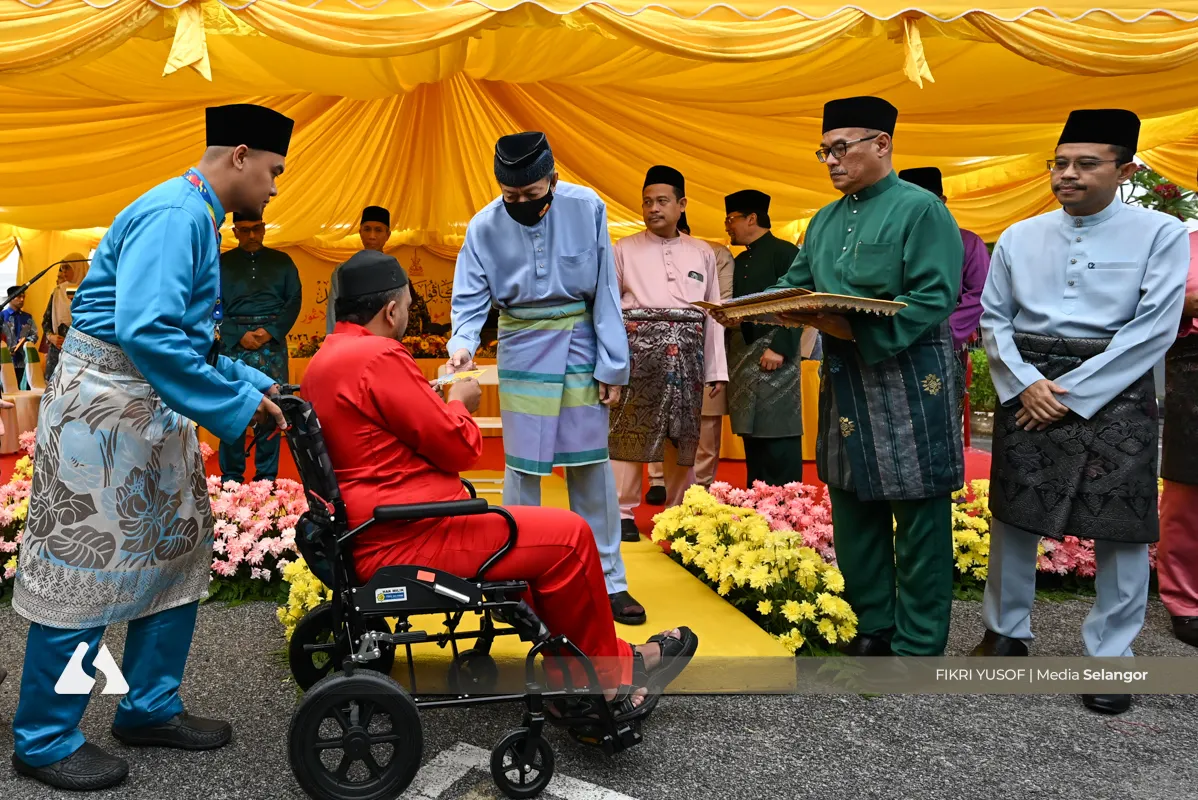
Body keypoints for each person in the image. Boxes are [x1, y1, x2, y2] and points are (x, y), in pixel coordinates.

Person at [10, 103, 292, 791]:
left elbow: (187, 338)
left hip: (144, 407)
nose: (274, 188)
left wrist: (254, 383)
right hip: (104, 414)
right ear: (240, 155)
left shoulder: (196, 214)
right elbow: (148, 333)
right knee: (86, 566)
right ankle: (44, 738)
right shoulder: (176, 215)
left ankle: (148, 707)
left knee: (177, 547)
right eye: (273, 171)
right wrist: (235, 406)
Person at [303, 250, 697, 718]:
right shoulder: (379, 356)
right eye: (407, 306)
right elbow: (459, 448)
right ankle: (603, 682)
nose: (408, 314)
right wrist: (460, 401)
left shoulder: (325, 358)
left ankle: (602, 658)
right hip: (408, 532)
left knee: (539, 542)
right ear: (391, 311)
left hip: (373, 526)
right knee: (570, 537)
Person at [975, 109, 1189, 715]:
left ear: (1125, 170)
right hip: (1029, 385)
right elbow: (994, 318)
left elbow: (1154, 327)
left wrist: (1068, 394)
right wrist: (1026, 385)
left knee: (1121, 526)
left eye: (1087, 163)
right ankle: (1004, 633)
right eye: (1060, 163)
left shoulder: (1161, 232)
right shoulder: (1019, 235)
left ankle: (1111, 657)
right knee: (1014, 514)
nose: (1068, 174)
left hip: (1114, 389)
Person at [743, 95, 966, 657]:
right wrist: (754, 307)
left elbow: (936, 295)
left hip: (910, 378)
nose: (831, 161)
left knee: (917, 507)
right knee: (851, 500)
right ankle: (873, 624)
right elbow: (797, 283)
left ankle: (919, 640)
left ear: (882, 144)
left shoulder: (922, 210)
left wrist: (851, 329)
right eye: (824, 151)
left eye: (840, 148)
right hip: (845, 377)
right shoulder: (823, 219)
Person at [447, 132, 644, 625]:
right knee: (523, 467)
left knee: (590, 464)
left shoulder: (587, 207)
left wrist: (612, 364)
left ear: (553, 181)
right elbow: (469, 299)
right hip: (521, 343)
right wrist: (462, 346)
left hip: (579, 339)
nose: (522, 205)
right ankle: (517, 578)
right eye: (511, 197)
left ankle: (609, 579)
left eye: (532, 195)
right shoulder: (483, 226)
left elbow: (605, 290)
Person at [609, 166, 727, 540]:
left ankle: (678, 512)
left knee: (684, 435)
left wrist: (716, 369)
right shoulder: (622, 249)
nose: (653, 208)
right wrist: (610, 365)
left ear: (682, 205)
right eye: (647, 202)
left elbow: (714, 313)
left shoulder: (702, 251)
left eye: (662, 201)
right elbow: (608, 311)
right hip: (637, 352)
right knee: (629, 430)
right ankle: (622, 512)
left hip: (689, 355)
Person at [723, 189, 804, 486]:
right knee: (753, 433)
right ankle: (757, 503)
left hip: (775, 354)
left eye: (731, 219)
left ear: (752, 218)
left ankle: (787, 504)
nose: (727, 226)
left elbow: (801, 303)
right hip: (744, 359)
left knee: (779, 431)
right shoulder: (741, 260)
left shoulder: (785, 253)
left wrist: (780, 347)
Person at [217, 211, 303, 484]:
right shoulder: (221, 263)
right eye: (244, 230)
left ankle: (266, 479)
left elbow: (294, 301)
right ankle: (231, 479)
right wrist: (237, 334)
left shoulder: (282, 262)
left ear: (264, 228)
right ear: (234, 232)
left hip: (271, 345)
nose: (252, 235)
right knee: (232, 407)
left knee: (273, 406)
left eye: (256, 228)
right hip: (233, 344)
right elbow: (212, 303)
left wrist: (270, 332)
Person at [898, 167, 991, 416]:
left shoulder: (968, 242)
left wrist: (944, 331)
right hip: (892, 343)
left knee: (940, 419)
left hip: (942, 345)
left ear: (942, 201)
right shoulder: (890, 243)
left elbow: (981, 293)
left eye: (927, 202)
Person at [1158, 215, 1198, 649]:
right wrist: (1186, 304)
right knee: (1188, 491)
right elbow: (1149, 302)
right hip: (1192, 366)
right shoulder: (1181, 244)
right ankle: (1186, 601)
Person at [325, 205, 434, 337]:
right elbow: (333, 314)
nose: (372, 236)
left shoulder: (397, 272)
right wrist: (333, 340)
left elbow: (400, 315)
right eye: (367, 229)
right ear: (360, 232)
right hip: (351, 341)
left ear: (387, 235)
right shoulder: (343, 271)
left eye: (378, 230)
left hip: (385, 342)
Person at [40, 255, 89, 383]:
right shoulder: (58, 292)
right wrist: (51, 337)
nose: (64, 272)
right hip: (57, 351)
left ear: (78, 268)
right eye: (62, 268)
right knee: (55, 390)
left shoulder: (91, 292)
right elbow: (46, 321)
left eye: (67, 267)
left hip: (82, 353)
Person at [1, 287, 39, 389]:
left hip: (23, 361)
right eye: (18, 297)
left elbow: (35, 335)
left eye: (23, 296)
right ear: (10, 297)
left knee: (22, 390)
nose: (22, 299)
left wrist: (25, 342)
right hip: (4, 361)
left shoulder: (27, 317)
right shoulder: (2, 316)